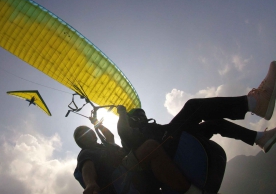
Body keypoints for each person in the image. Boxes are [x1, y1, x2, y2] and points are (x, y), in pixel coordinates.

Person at [117, 61, 276, 193]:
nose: (142, 118)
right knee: (192, 107)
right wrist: (122, 111)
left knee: (213, 124)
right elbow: (123, 131)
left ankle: (260, 138)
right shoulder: (131, 138)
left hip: (174, 147)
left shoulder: (154, 130)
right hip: (169, 158)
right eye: (138, 116)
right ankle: (255, 103)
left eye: (143, 114)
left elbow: (172, 131)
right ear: (131, 119)